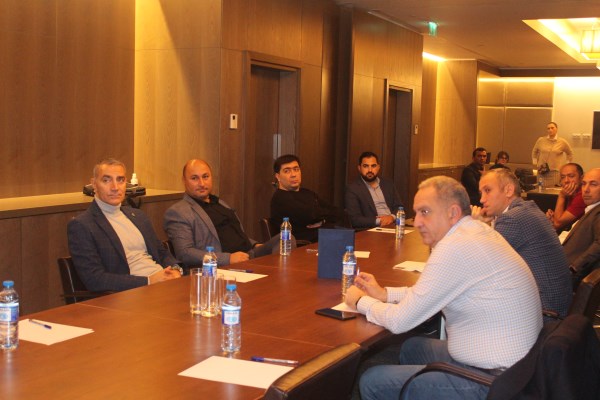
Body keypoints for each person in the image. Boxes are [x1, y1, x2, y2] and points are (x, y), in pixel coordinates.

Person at [345, 176, 542, 400]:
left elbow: (399, 321)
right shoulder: (475, 231)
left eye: (425, 212)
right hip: (518, 365)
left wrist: (360, 301)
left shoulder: (455, 247)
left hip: (497, 382)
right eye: (416, 213)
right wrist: (385, 294)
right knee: (412, 347)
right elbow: (429, 293)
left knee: (372, 380)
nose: (417, 222)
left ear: (453, 213)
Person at [68, 159, 182, 292]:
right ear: (94, 184)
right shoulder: (82, 225)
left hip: (164, 284)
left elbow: (161, 252)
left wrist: (176, 270)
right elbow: (95, 279)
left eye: (120, 180)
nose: (115, 187)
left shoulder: (138, 216)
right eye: (106, 180)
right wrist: (149, 281)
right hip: (131, 292)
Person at [473, 168, 572, 318]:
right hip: (555, 302)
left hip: (545, 311)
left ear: (508, 190)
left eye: (487, 191)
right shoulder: (527, 209)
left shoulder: (512, 218)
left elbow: (479, 266)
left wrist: (475, 226)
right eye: (481, 193)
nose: (481, 200)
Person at [164, 159, 284, 267]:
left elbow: (235, 234)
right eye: (194, 178)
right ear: (184, 181)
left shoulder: (220, 203)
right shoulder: (178, 212)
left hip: (248, 255)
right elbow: (185, 253)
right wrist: (228, 259)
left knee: (284, 239)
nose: (202, 183)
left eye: (205, 177)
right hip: (222, 266)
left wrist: (254, 245)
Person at [270, 154, 343, 242]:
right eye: (287, 171)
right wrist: (322, 217)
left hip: (321, 238)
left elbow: (337, 212)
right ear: (278, 176)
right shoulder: (280, 198)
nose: (293, 175)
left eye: (296, 169)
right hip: (300, 244)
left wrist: (322, 220)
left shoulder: (307, 192)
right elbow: (310, 215)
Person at [345, 151, 403, 229]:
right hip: (373, 229)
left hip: (394, 225)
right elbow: (355, 219)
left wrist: (392, 217)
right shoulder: (353, 189)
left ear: (378, 167)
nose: (370, 170)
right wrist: (380, 221)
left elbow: (399, 207)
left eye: (373, 166)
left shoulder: (388, 184)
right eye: (365, 166)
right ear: (359, 168)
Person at [563, 168, 600, 287]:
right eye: (584, 184)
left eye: (593, 184)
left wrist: (574, 268)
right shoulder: (592, 208)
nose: (586, 189)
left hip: (570, 279)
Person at [546, 163, 586, 233]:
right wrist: (553, 218)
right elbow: (557, 223)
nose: (566, 180)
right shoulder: (570, 193)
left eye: (571, 176)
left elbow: (557, 224)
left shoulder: (583, 195)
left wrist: (561, 195)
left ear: (581, 178)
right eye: (563, 177)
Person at [531, 122, 574, 187]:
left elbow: (570, 153)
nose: (550, 130)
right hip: (542, 171)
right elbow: (534, 151)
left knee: (553, 190)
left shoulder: (562, 142)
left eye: (552, 128)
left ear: (556, 129)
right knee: (540, 189)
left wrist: (567, 164)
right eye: (548, 128)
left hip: (555, 172)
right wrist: (535, 163)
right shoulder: (541, 140)